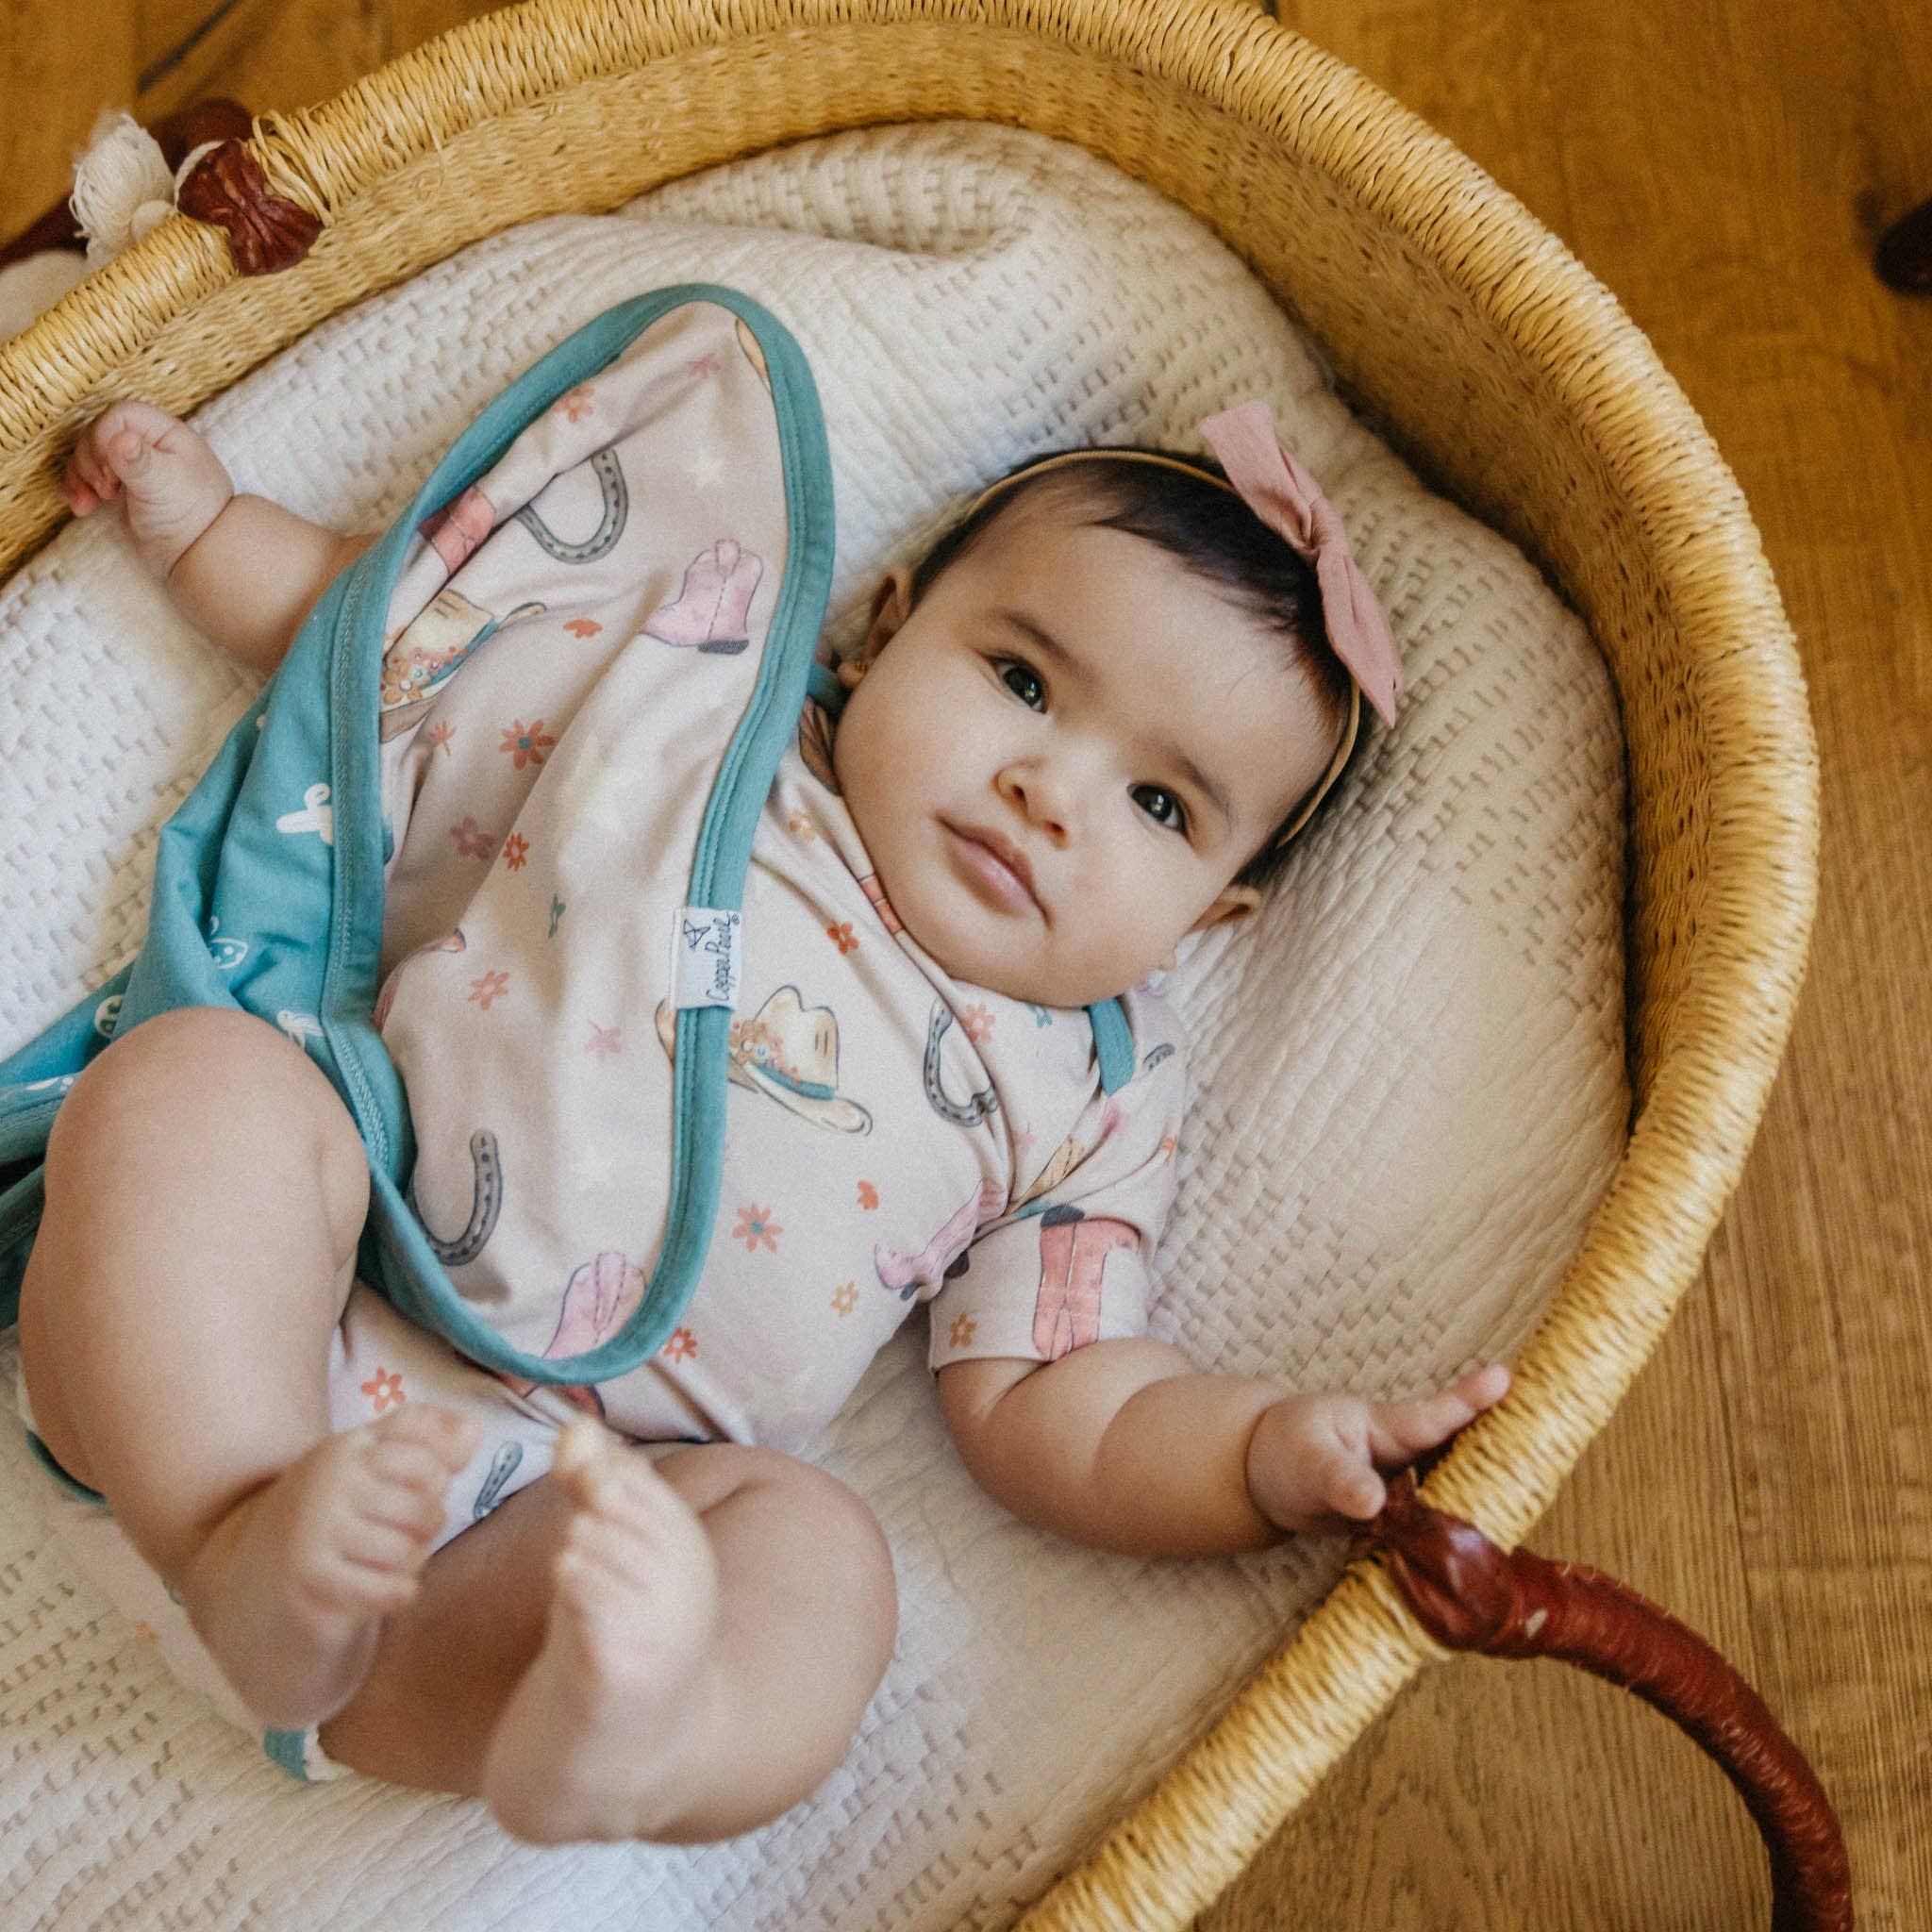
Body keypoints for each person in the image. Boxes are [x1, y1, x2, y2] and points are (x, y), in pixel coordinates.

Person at [19, 393, 1508, 1844]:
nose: (1050, 789)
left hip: (540, 1534)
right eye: (1026, 683)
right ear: (885, 627)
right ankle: (233, 1534)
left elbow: (1073, 1393)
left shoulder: (1094, 1088)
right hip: (305, 1296)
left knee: (817, 1560)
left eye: (1162, 808)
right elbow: (416, 644)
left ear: (1216, 912)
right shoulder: (706, 704)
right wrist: (209, 528)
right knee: (197, 1088)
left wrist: (1255, 1457)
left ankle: (642, 1740)